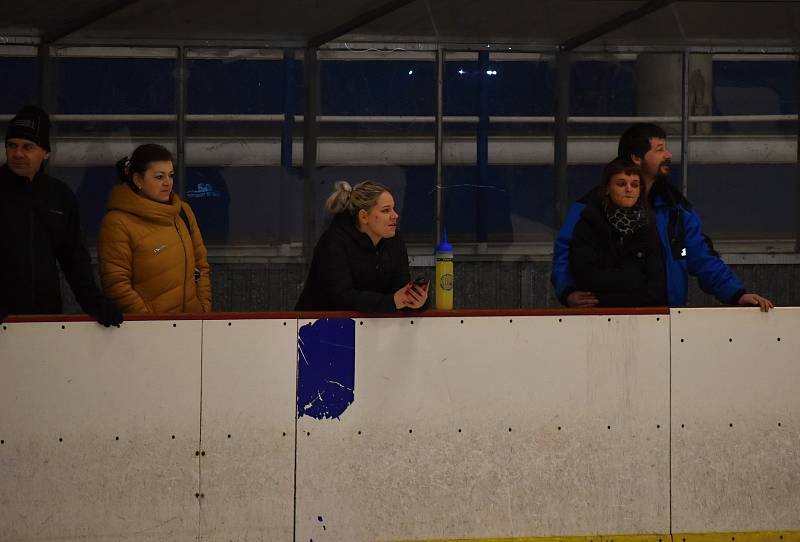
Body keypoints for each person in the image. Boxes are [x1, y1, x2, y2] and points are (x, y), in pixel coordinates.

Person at [552, 123, 773, 311]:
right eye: (659, 149)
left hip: (666, 321)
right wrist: (568, 292)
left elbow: (697, 255)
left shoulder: (675, 209)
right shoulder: (590, 209)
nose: (668, 155)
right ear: (636, 158)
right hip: (604, 316)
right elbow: (566, 253)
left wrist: (736, 294)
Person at [0, 105, 123, 326]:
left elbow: (74, 258)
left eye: (28, 147)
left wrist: (95, 303)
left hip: (45, 319)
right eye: (12, 145)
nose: (17, 153)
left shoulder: (58, 195)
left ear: (45, 152)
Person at [98, 144, 211, 313]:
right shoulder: (117, 222)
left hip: (192, 327)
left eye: (171, 175)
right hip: (148, 332)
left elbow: (201, 266)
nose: (168, 183)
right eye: (159, 177)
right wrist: (149, 322)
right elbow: (117, 285)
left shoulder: (182, 212)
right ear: (138, 180)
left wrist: (203, 309)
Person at [295, 180, 428, 312]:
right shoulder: (333, 242)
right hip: (316, 327)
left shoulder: (395, 240)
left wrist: (416, 302)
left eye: (394, 209)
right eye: (386, 210)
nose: (395, 216)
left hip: (371, 328)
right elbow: (341, 297)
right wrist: (392, 301)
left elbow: (399, 292)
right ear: (364, 216)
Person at [569, 158, 665, 307]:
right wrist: (634, 280)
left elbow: (656, 288)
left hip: (643, 317)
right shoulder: (588, 224)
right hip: (595, 318)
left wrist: (605, 294)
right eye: (621, 184)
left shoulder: (649, 228)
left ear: (640, 191)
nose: (629, 189)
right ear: (607, 188)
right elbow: (585, 277)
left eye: (634, 185)